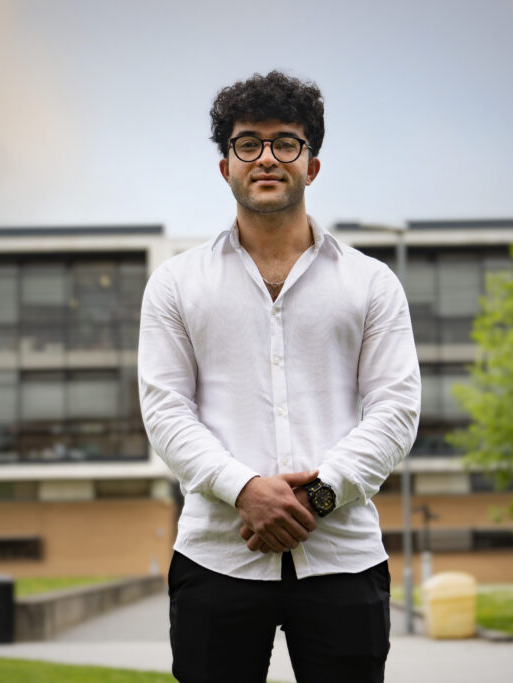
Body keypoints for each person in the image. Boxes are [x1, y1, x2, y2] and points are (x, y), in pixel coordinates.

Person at [138, 70, 420, 683]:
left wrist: (316, 498)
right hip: (218, 555)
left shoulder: (372, 283)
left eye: (285, 142)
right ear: (226, 167)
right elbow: (164, 410)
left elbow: (395, 410)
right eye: (248, 143)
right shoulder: (176, 284)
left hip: (343, 558)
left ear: (311, 165)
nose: (267, 158)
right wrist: (245, 490)